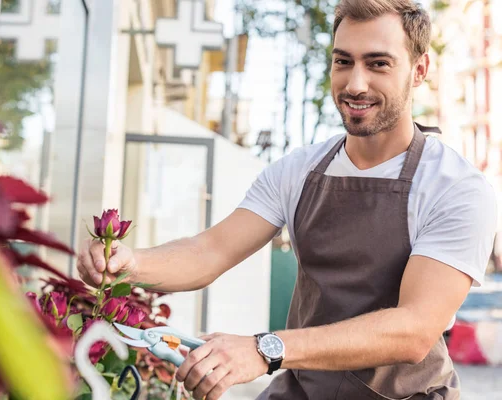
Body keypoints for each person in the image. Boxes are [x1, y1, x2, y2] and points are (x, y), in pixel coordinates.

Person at [77, 0, 497, 398]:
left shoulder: (454, 186)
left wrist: (264, 349)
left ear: (419, 70)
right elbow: (210, 250)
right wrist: (131, 263)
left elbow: (413, 330)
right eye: (343, 61)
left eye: (378, 64)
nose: (355, 83)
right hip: (303, 391)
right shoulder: (299, 169)